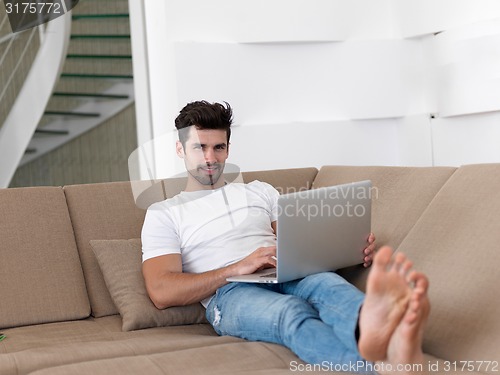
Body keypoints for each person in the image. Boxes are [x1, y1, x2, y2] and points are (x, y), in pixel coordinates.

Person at [141, 101, 430, 374]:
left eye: (219, 147)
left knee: (327, 284)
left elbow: (298, 244)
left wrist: (346, 249)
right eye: (199, 147)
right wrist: (236, 269)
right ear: (180, 149)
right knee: (291, 312)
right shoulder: (164, 212)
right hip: (229, 294)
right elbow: (162, 292)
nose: (210, 158)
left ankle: (382, 338)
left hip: (284, 271)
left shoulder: (259, 191)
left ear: (228, 149)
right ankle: (382, 367)